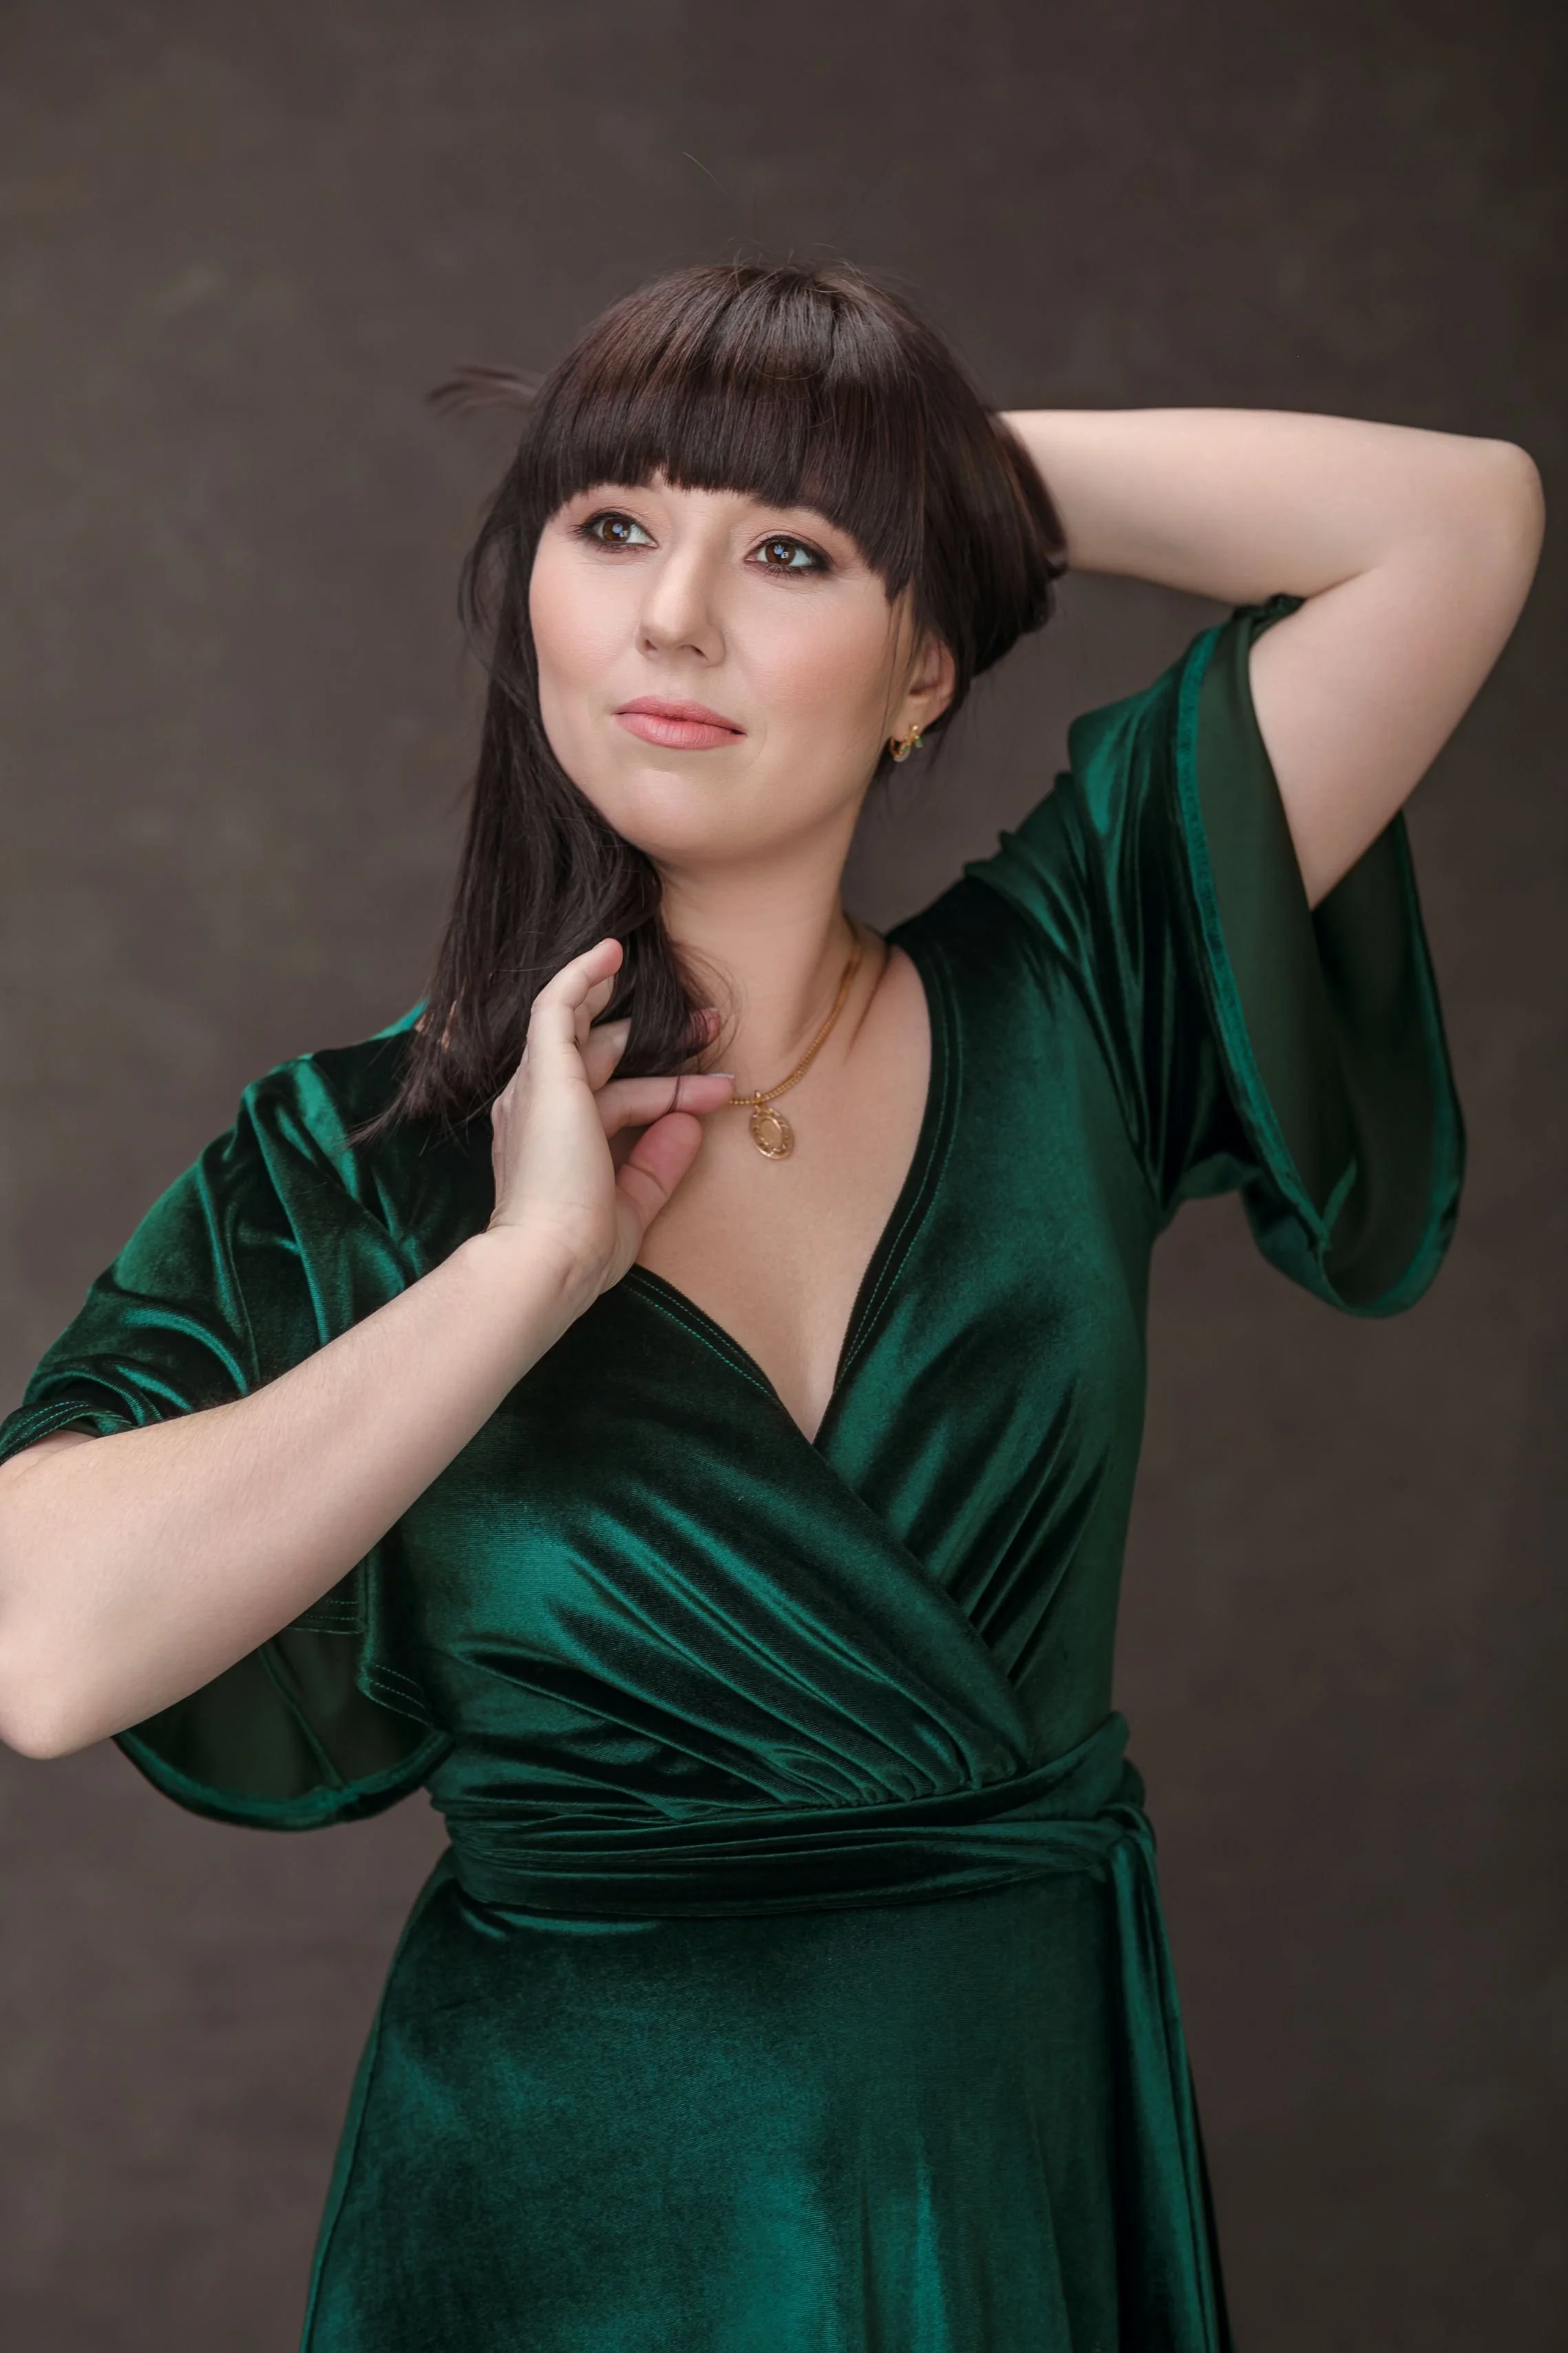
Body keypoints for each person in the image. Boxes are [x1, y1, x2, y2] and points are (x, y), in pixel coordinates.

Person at [0, 258, 1543, 2352]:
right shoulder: (348, 1158)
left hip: (1008, 2155)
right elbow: (44, 1656)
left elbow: (1454, 518)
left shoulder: (1081, 992)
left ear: (921, 666)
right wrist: (524, 1271)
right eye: (612, 523)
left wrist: (921, 469)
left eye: (790, 551)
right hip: (560, 2218)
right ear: (529, 596)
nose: (672, 618)